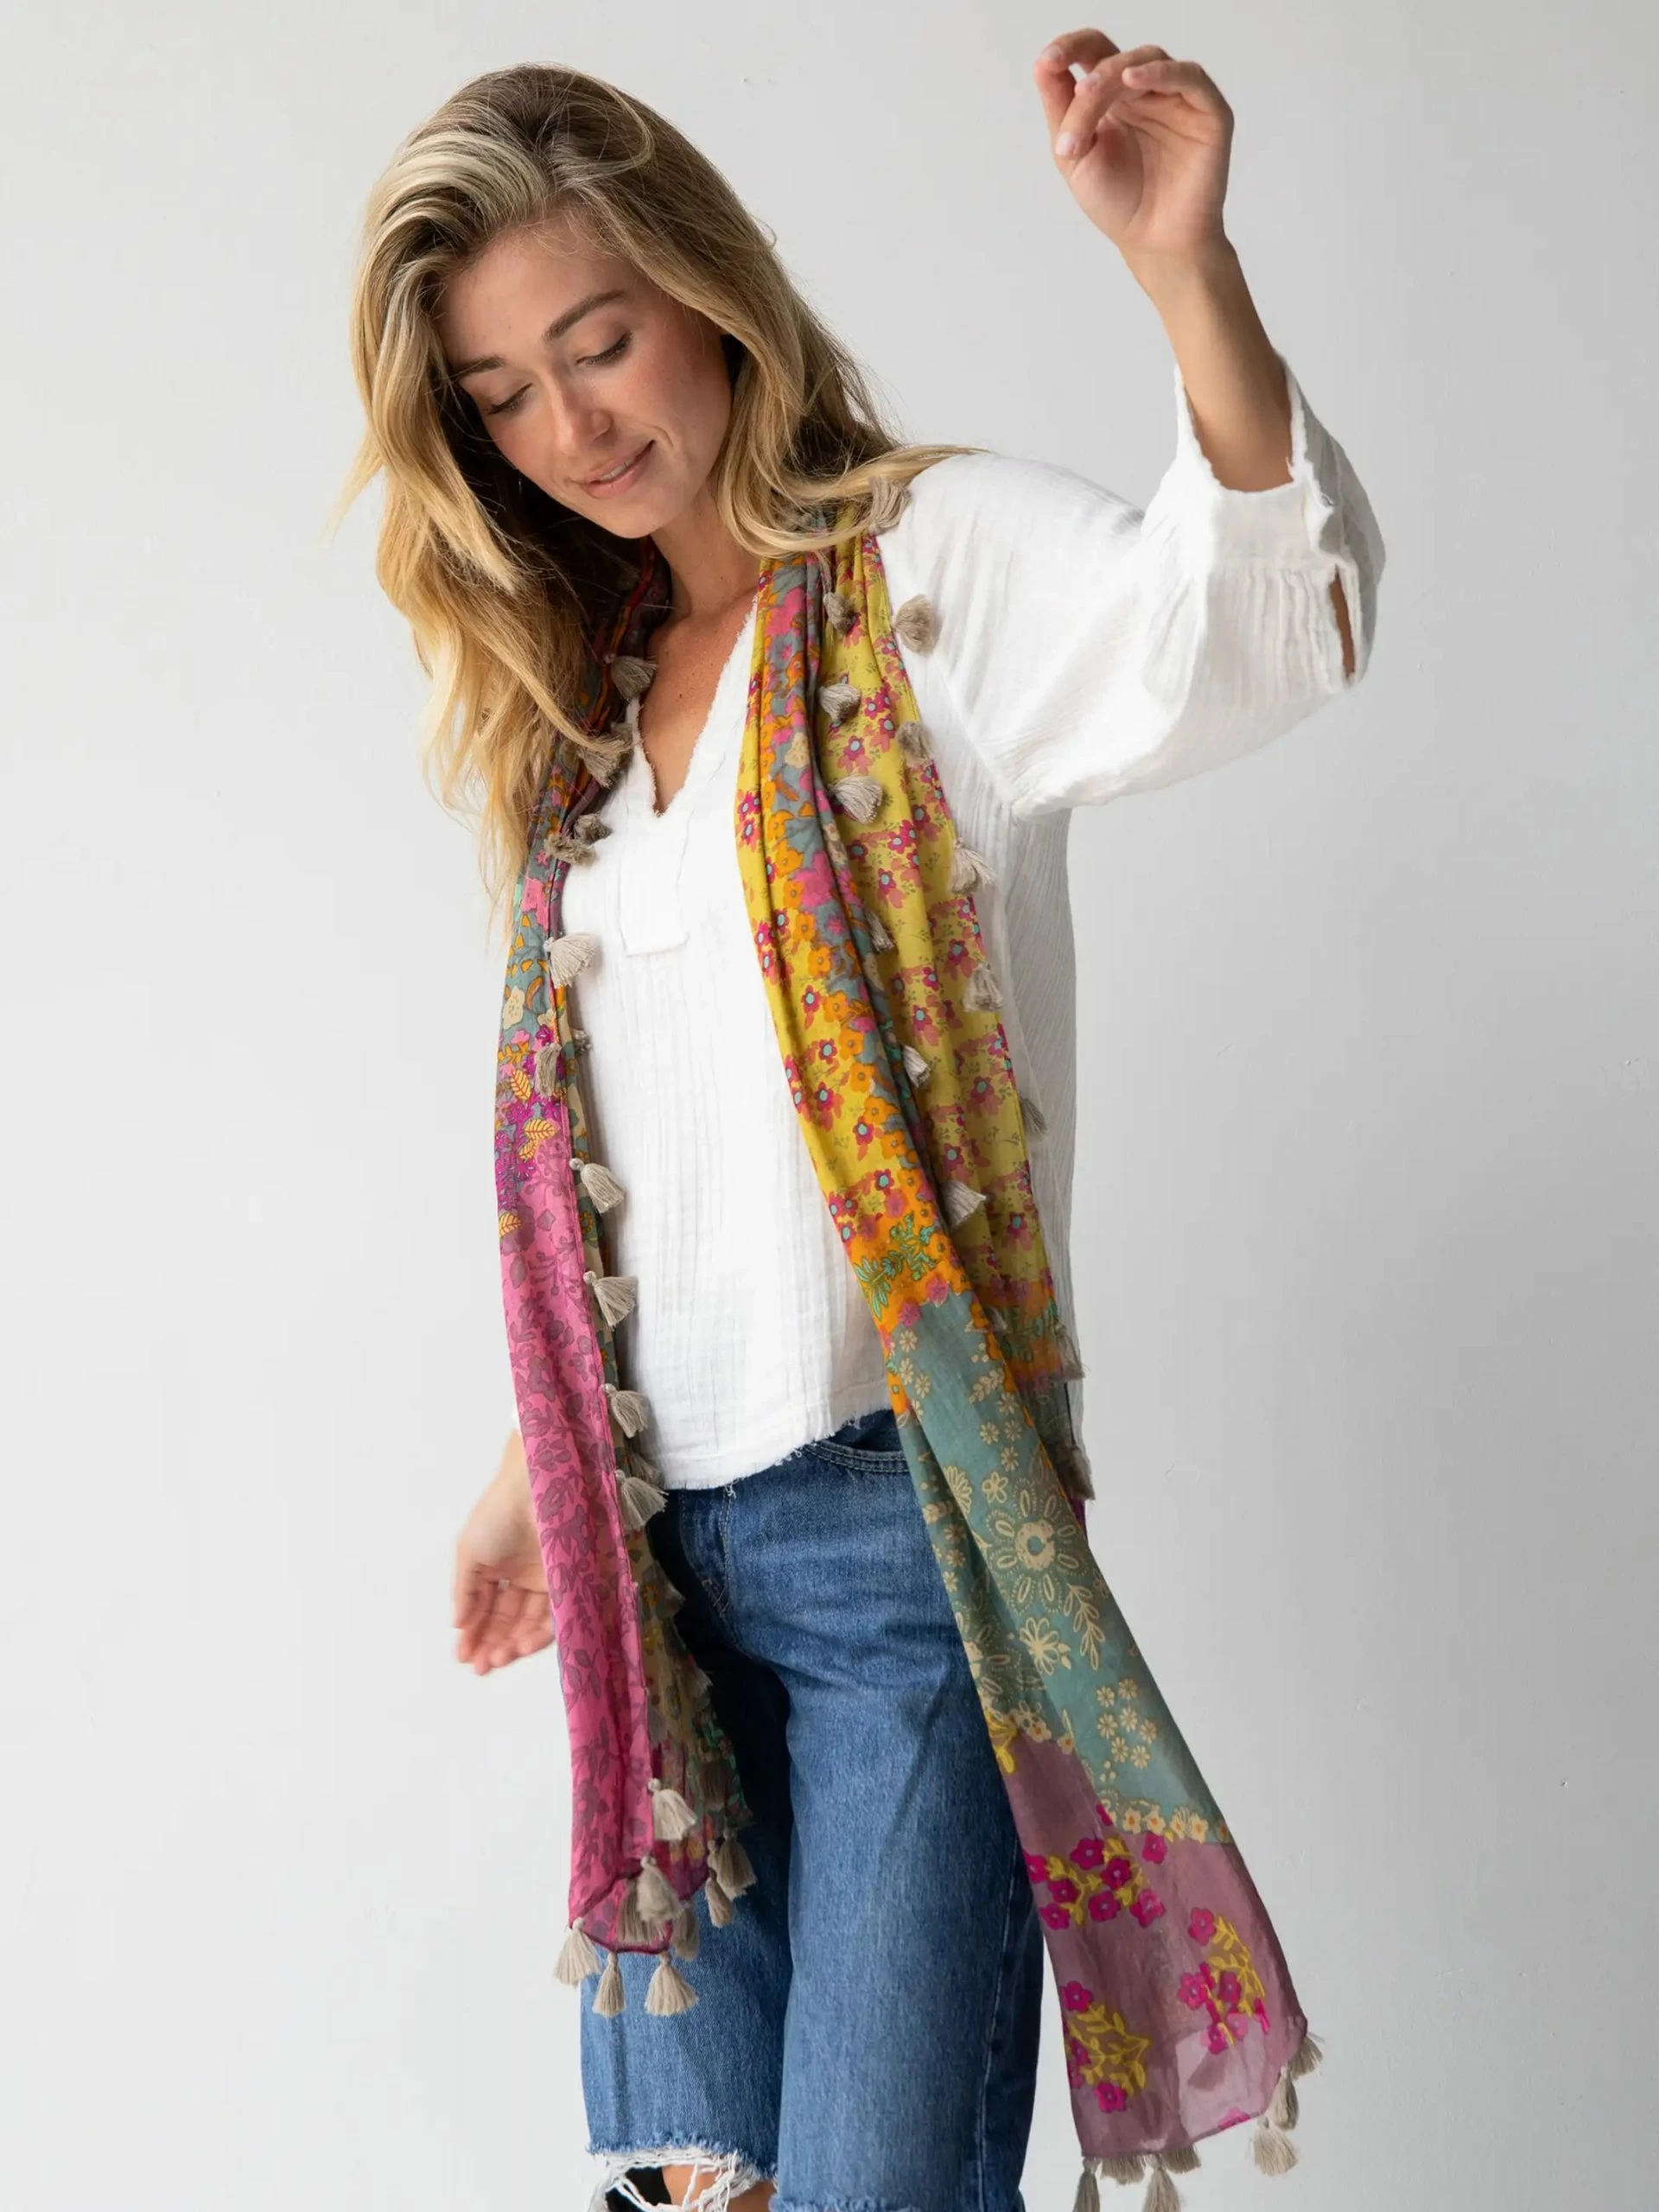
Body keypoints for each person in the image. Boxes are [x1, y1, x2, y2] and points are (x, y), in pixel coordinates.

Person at [340, 32, 1382, 2212]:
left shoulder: (928, 572)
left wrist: (1184, 271)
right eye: (504, 393)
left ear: (707, 287)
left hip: (899, 1554)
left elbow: (1272, 629)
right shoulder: (578, 716)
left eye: (597, 341)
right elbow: (668, 1147)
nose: (571, 426)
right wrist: (536, 1460)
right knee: (696, 2194)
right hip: (652, 1576)